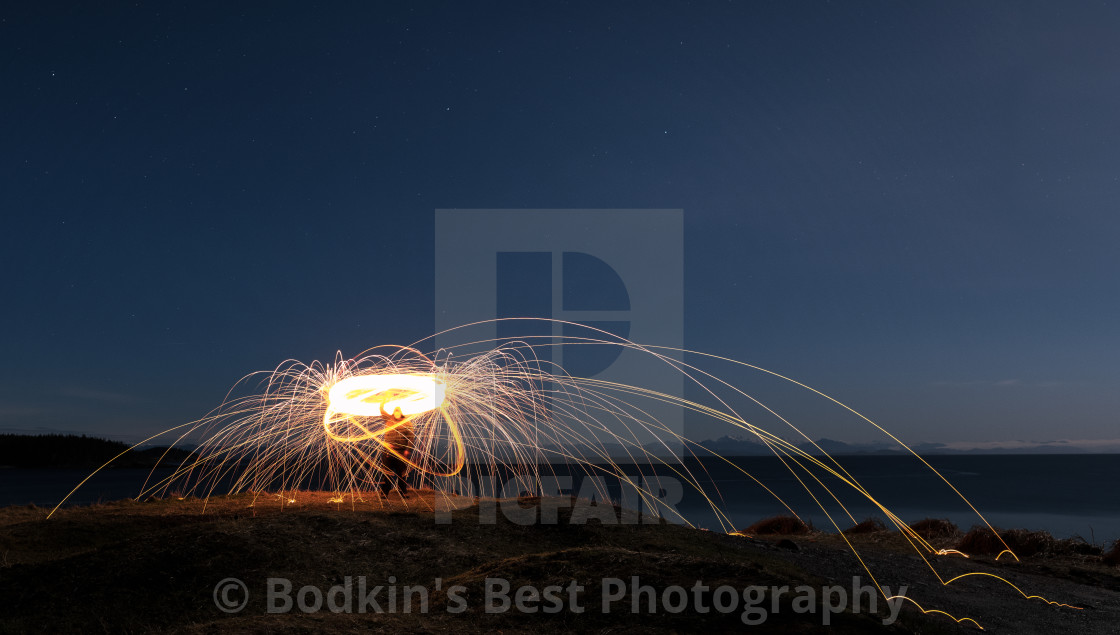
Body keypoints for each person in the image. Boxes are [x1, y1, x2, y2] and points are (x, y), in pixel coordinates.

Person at [379, 405, 416, 496]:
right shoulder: (388, 419)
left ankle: (403, 492)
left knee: (401, 474)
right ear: (393, 413)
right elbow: (381, 410)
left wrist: (408, 449)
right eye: (395, 412)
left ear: (401, 413)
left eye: (398, 412)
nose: (397, 413)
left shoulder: (407, 423)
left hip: (400, 452)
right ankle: (384, 493)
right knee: (387, 473)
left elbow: (411, 438)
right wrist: (385, 398)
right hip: (388, 452)